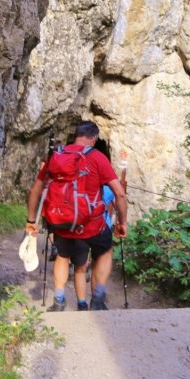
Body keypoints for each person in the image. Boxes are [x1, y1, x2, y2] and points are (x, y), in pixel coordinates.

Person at [25, 121, 128, 311]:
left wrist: (31, 221)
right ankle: (97, 297)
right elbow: (119, 193)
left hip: (63, 222)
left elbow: (35, 190)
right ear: (94, 139)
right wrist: (122, 223)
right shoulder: (97, 157)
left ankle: (58, 300)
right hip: (92, 223)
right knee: (105, 252)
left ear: (76, 136)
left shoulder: (56, 155)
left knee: (62, 257)